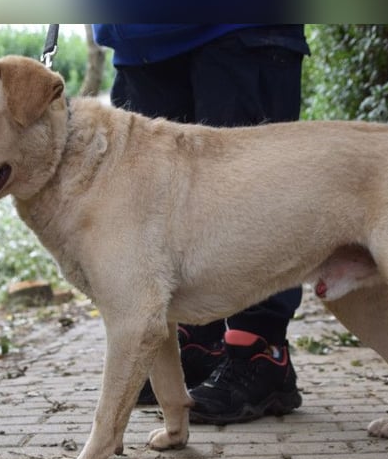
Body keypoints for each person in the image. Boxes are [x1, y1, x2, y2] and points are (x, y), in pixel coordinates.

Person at [92, 24, 310, 425]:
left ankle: (260, 352)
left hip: (239, 19)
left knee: (249, 197)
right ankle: (198, 346)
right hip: (138, 38)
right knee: (158, 207)